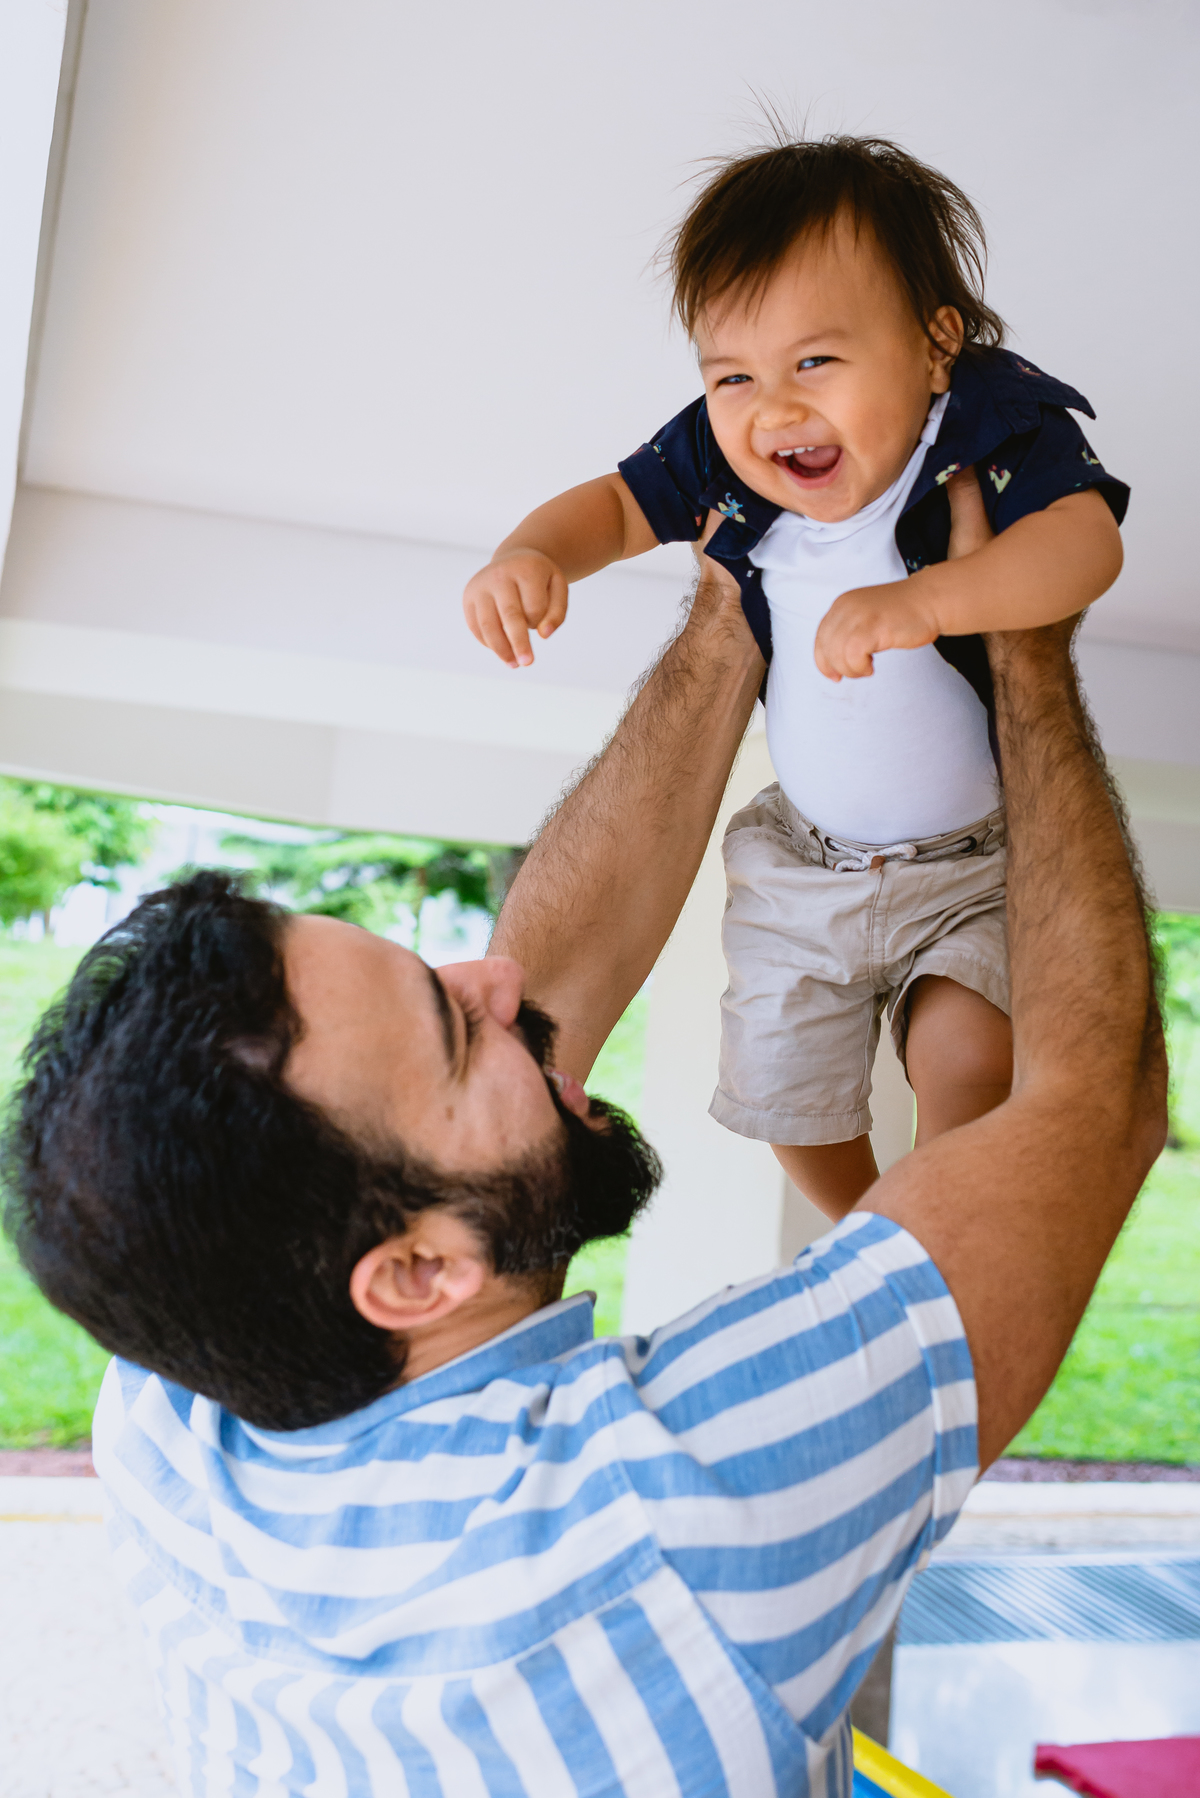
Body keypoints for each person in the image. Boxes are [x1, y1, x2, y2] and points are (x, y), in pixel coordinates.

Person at [3, 473, 1163, 1797]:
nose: (497, 980)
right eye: (454, 1031)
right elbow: (1084, 1104)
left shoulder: (175, 1404)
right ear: (417, 1274)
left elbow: (533, 988)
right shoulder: (661, 1520)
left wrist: (742, 589)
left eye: (438, 971)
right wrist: (1027, 646)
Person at [462, 135, 1129, 1219]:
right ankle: (869, 1230)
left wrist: (933, 603)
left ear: (935, 343)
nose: (771, 409)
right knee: (786, 1101)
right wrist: (533, 553)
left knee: (968, 1053)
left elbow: (1085, 544)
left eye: (815, 362)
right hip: (804, 864)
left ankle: (947, 1224)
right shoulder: (725, 462)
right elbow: (619, 504)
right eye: (733, 375)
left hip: (974, 859)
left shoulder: (985, 428)